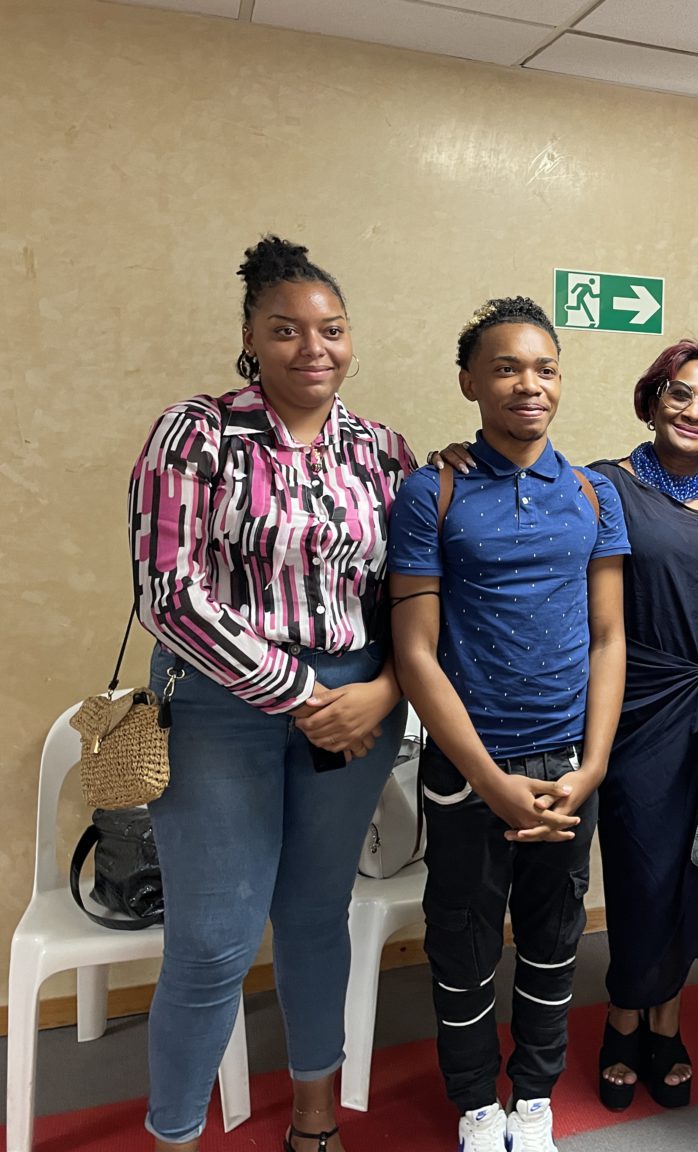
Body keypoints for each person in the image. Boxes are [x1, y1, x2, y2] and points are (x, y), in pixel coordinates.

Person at [128, 236, 412, 1152]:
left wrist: (385, 690)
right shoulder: (196, 432)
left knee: (315, 916)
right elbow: (168, 595)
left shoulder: (383, 450)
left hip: (358, 705)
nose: (312, 347)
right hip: (223, 707)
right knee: (213, 939)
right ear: (250, 337)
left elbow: (413, 598)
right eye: (286, 329)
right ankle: (174, 1133)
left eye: (331, 328)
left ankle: (314, 1120)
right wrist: (299, 693)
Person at [388, 297, 629, 1152]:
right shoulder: (434, 490)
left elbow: (609, 636)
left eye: (545, 368)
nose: (530, 385)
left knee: (556, 939)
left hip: (569, 763)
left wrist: (594, 764)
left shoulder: (594, 493)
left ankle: (533, 1098)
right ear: (470, 383)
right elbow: (415, 652)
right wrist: (490, 781)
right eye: (506, 368)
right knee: (461, 941)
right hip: (469, 768)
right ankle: (475, 1106)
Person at [587, 341, 698, 1110]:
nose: (694, 411)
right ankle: (623, 1014)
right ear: (653, 399)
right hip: (640, 707)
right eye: (680, 394)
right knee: (642, 869)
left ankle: (667, 1018)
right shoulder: (605, 485)